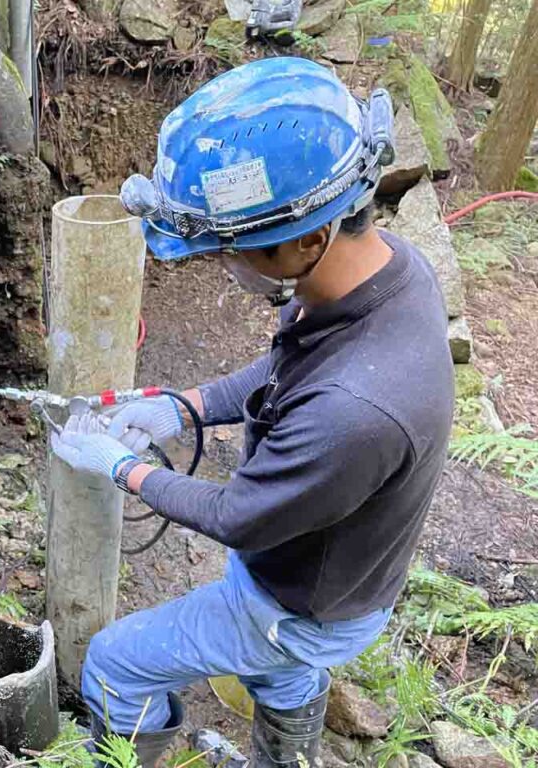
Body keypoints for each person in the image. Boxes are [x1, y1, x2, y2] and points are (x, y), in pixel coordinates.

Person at [50, 57, 455, 768]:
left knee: (117, 662)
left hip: (297, 609)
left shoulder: (355, 414)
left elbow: (237, 516)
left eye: (230, 250)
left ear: (308, 237)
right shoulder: (384, 275)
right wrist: (186, 407)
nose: (224, 266)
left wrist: (121, 468)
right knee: (285, 671)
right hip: (335, 582)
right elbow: (287, 368)